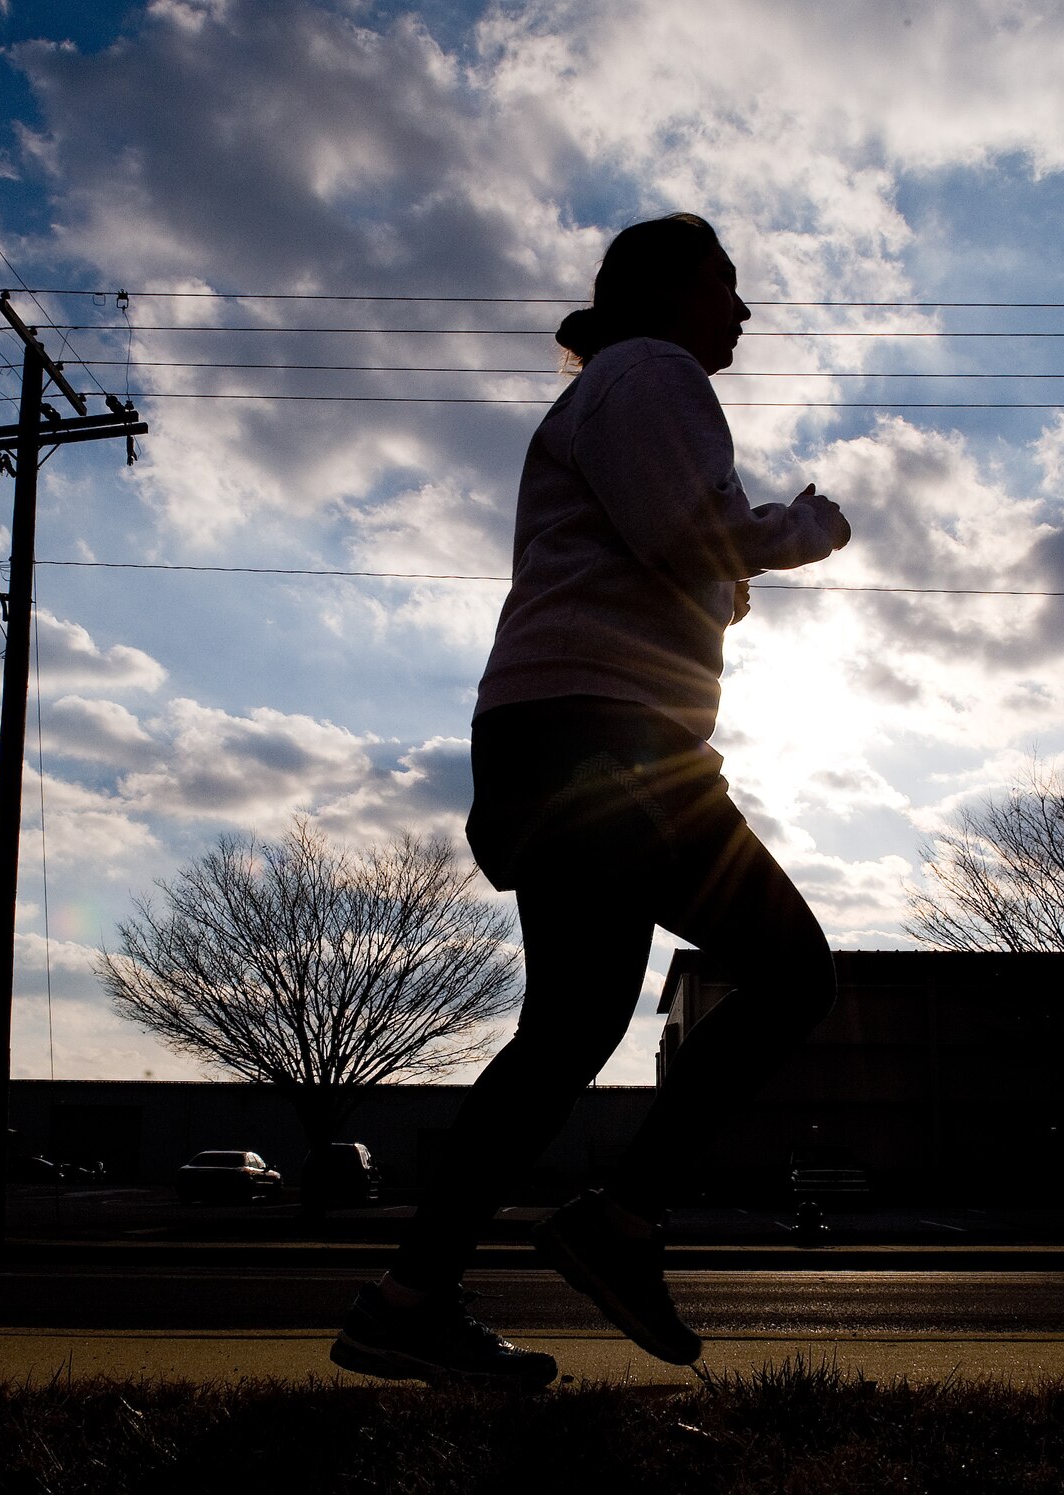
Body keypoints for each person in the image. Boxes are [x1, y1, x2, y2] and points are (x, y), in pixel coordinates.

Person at [331, 213, 852, 1385]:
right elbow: (688, 533)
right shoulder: (651, 372)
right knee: (791, 971)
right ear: (667, 291)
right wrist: (803, 530)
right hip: (601, 734)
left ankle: (406, 1299)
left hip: (557, 730)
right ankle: (617, 1222)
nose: (744, 310)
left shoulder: (619, 387)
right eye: (728, 284)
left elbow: (668, 559)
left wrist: (721, 578)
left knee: (569, 1027)